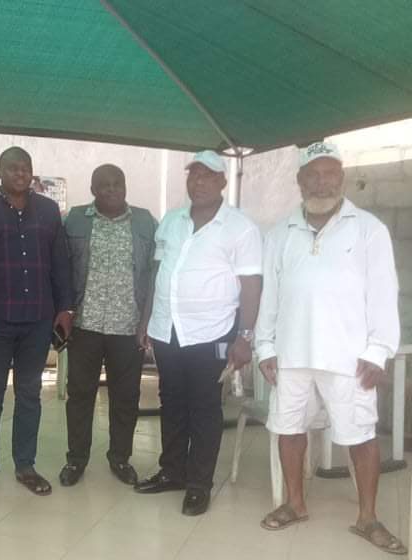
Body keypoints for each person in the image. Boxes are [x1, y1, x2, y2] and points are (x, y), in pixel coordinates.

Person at [256, 142, 406, 554]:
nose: (322, 183)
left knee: (360, 435)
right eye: (313, 175)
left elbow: (383, 294)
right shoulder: (280, 232)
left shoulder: (368, 229)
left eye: (330, 174)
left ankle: (368, 517)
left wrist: (378, 351)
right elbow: (271, 294)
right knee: (289, 429)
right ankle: (295, 503)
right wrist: (265, 346)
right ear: (299, 180)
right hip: (291, 354)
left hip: (349, 358)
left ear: (342, 178)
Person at [134, 150, 262, 517]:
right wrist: (146, 321)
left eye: (207, 175)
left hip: (212, 333)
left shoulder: (241, 228)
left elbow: (251, 286)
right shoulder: (171, 221)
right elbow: (158, 273)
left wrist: (245, 336)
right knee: (171, 401)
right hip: (167, 329)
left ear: (223, 181)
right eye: (193, 175)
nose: (199, 182)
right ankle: (172, 471)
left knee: (204, 407)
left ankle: (198, 484)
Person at [0, 147, 73, 499]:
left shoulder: (48, 210)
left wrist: (65, 309)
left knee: (29, 395)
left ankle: (25, 465)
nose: (20, 173)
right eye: (12, 168)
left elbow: (60, 263)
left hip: (38, 319)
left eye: (25, 168)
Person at [60, 164, 157, 487]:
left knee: (125, 397)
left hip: (127, 326)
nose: (112, 189)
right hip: (85, 324)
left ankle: (120, 458)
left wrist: (146, 322)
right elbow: (61, 267)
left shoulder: (145, 221)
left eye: (118, 183)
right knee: (80, 395)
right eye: (104, 185)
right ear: (93, 190)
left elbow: (154, 275)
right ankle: (76, 459)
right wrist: (64, 312)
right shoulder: (74, 220)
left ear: (125, 186)